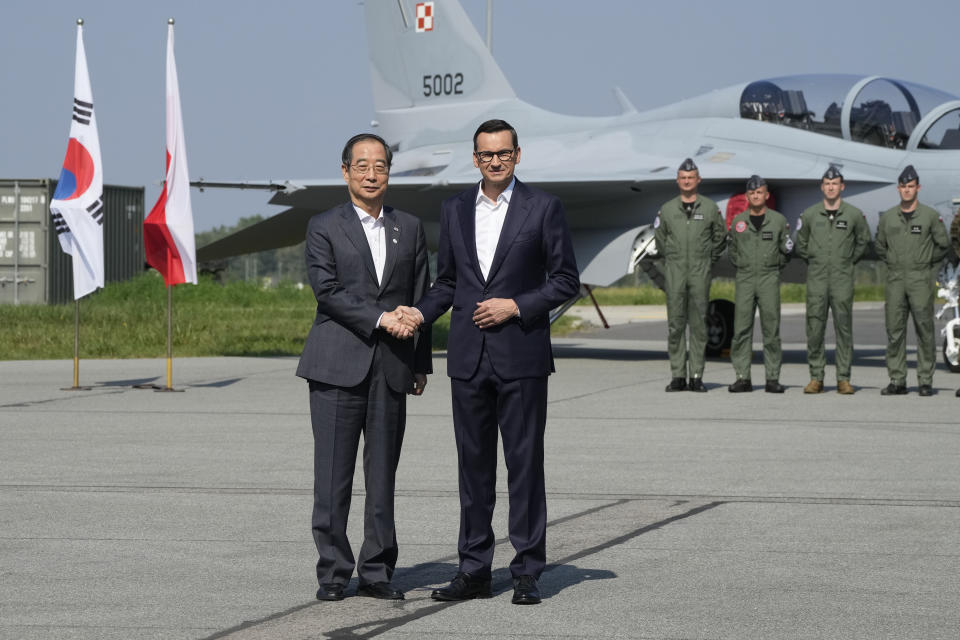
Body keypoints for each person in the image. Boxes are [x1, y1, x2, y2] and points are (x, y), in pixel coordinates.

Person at [400, 119, 580, 605]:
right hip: (468, 360)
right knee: (473, 471)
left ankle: (526, 571)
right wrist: (419, 312)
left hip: (521, 356)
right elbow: (448, 283)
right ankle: (474, 570)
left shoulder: (543, 208)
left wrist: (516, 306)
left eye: (503, 153)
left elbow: (565, 280)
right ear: (474, 158)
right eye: (486, 154)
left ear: (518, 155)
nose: (495, 161)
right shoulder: (455, 208)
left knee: (524, 466)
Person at [296, 133, 432, 602]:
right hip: (336, 366)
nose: (371, 174)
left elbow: (419, 296)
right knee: (333, 476)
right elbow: (327, 292)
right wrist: (380, 319)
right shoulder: (323, 226)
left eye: (380, 166)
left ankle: (377, 571)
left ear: (389, 173)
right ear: (345, 172)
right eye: (362, 166)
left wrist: (419, 362)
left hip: (392, 367)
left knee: (382, 476)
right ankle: (334, 572)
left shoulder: (409, 227)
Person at [794, 167, 871, 394]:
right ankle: (816, 377)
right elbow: (801, 244)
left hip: (842, 279)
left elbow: (863, 241)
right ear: (822, 186)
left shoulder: (853, 215)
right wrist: (816, 260)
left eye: (835, 183)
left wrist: (847, 261)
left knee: (843, 328)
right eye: (827, 184)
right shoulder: (809, 214)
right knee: (815, 328)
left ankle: (843, 378)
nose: (831, 187)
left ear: (842, 187)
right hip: (817, 278)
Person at [875, 165, 949, 396]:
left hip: (920, 279)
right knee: (894, 330)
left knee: (924, 329)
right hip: (896, 278)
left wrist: (926, 265)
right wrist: (893, 261)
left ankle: (925, 380)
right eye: (903, 187)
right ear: (898, 189)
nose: (907, 191)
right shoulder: (888, 217)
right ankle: (897, 380)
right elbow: (879, 245)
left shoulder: (928, 216)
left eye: (911, 186)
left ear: (918, 188)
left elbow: (943, 244)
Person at [654, 158, 726, 392]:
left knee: (698, 325)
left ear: (698, 180)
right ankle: (677, 376)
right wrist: (673, 259)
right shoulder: (667, 209)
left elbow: (720, 237)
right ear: (678, 181)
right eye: (683, 178)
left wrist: (707, 260)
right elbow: (660, 239)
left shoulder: (709, 209)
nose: (687, 181)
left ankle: (696, 375)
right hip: (675, 272)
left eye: (691, 178)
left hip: (699, 272)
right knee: (675, 325)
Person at [727, 175, 793, 393]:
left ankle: (772, 378)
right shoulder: (739, 222)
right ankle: (742, 377)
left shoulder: (778, 221)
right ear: (748, 196)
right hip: (745, 278)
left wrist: (773, 267)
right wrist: (745, 266)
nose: (756, 196)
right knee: (741, 330)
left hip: (768, 278)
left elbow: (786, 251)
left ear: (766, 195)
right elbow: (733, 252)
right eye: (752, 193)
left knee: (771, 330)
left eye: (760, 193)